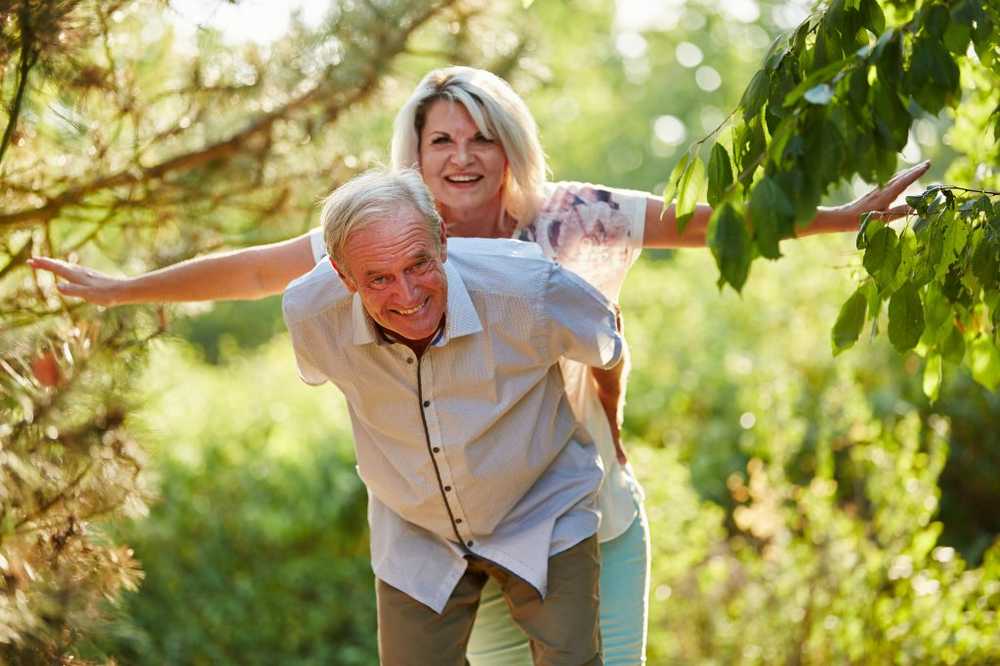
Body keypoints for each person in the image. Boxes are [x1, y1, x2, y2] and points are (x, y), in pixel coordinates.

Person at [29, 66, 930, 665]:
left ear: (510, 146)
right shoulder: (377, 237)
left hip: (582, 518)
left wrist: (843, 215)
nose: (462, 157)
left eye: (481, 138)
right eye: (440, 142)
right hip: (456, 541)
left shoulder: (568, 218)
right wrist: (119, 289)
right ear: (414, 159)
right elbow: (260, 268)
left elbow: (704, 223)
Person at [286, 168, 622, 665]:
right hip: (413, 524)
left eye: (418, 264)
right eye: (378, 278)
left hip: (539, 505)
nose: (406, 295)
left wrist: (612, 428)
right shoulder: (311, 315)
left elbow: (607, 345)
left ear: (442, 239)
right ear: (341, 274)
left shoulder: (529, 289)